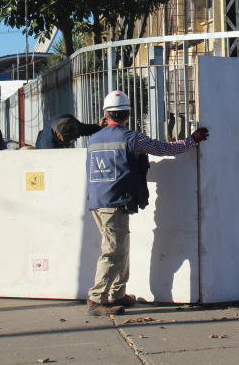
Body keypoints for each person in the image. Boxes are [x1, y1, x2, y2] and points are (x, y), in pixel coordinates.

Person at [84, 90, 209, 317]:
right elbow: (166, 149)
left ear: (106, 113)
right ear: (128, 114)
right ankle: (96, 299)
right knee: (113, 251)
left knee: (120, 247)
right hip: (115, 202)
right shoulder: (132, 138)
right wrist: (192, 140)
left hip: (98, 201)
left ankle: (117, 294)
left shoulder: (94, 138)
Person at [35, 113, 106, 149]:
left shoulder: (68, 120)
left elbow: (83, 129)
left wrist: (99, 127)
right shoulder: (48, 146)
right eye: (70, 140)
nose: (75, 140)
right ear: (59, 136)